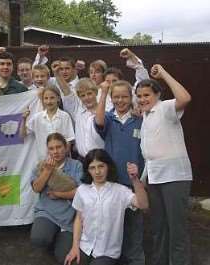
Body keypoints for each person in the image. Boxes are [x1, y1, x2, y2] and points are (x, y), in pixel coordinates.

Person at [136, 64, 192, 265]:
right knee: (159, 227)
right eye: (140, 96)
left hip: (175, 176)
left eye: (147, 95)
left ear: (157, 94)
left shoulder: (166, 108)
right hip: (154, 177)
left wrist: (164, 75)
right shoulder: (145, 117)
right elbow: (148, 154)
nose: (143, 99)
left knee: (177, 228)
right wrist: (142, 179)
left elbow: (185, 98)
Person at [64, 149, 149, 265]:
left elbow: (143, 204)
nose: (97, 172)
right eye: (92, 168)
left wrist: (135, 180)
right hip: (85, 247)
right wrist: (74, 247)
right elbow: (79, 219)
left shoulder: (120, 191)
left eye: (101, 166)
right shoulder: (82, 190)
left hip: (107, 252)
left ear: (108, 167)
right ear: (87, 170)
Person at [95, 80, 145, 265]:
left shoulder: (140, 119)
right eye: (116, 97)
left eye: (124, 96)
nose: (120, 100)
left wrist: (142, 178)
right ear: (111, 98)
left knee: (134, 225)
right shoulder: (107, 118)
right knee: (114, 225)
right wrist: (103, 92)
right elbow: (98, 121)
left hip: (134, 182)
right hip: (112, 182)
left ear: (131, 97)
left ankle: (136, 260)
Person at [30, 133, 83, 264]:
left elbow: (81, 192)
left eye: (59, 147)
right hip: (47, 211)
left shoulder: (76, 165)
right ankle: (50, 236)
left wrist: (59, 195)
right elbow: (36, 188)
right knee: (39, 239)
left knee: (64, 257)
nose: (55, 151)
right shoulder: (41, 165)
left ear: (66, 147)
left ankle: (59, 237)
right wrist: (47, 171)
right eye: (51, 148)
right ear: (48, 150)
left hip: (69, 216)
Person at [21, 86, 75, 160]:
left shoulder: (65, 116)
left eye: (52, 98)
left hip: (62, 161)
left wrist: (62, 158)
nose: (49, 101)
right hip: (44, 161)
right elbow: (22, 135)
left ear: (58, 98)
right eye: (46, 98)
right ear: (42, 100)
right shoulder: (37, 117)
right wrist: (24, 119)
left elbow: (69, 140)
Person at [59, 77, 105, 160]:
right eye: (83, 95)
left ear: (96, 93)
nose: (87, 98)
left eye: (89, 93)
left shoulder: (105, 112)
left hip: (101, 159)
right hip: (82, 160)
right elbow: (66, 92)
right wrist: (57, 74)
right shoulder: (77, 111)